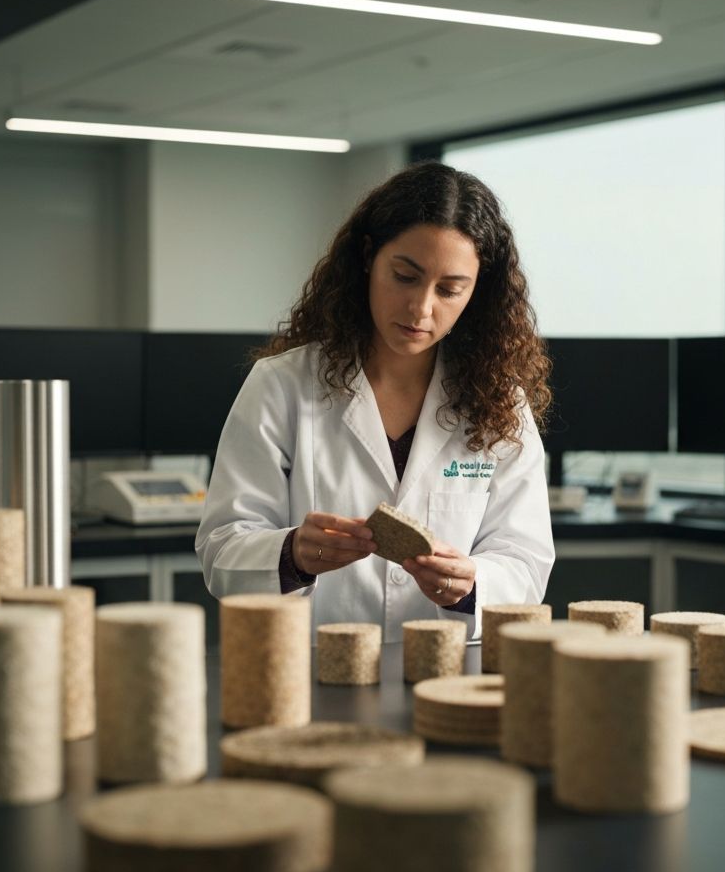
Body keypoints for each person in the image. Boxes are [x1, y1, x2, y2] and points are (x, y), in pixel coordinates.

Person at [196, 161, 554, 641]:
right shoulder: (282, 385)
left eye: (449, 289)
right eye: (405, 276)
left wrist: (472, 583)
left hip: (446, 669)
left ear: (477, 292)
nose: (421, 308)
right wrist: (292, 555)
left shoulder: (499, 403)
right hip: (313, 667)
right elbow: (222, 551)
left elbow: (526, 560)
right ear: (368, 257)